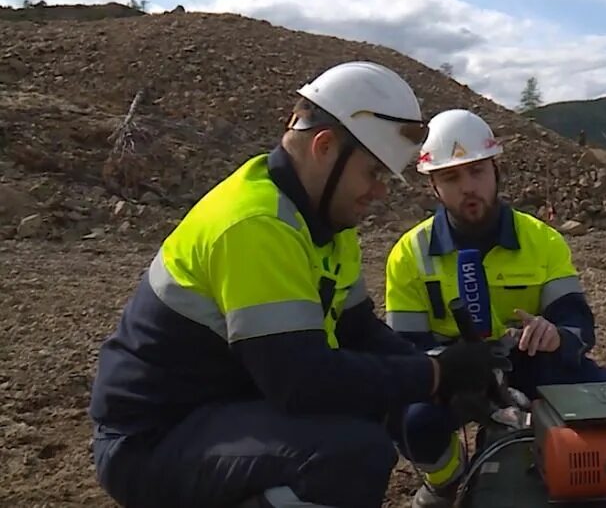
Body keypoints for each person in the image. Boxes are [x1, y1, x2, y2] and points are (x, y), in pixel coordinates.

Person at [87, 62, 497, 508]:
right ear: (324, 147)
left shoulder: (325, 223)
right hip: (153, 440)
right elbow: (301, 382)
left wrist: (444, 374)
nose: (379, 192)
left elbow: (359, 332)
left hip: (219, 411)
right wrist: (434, 373)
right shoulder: (257, 224)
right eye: (374, 173)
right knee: (350, 453)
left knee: (377, 401)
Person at [382, 109, 606, 507]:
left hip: (528, 360)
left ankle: (546, 471)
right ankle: (447, 477)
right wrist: (450, 367)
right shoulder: (409, 254)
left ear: (496, 171)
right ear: (433, 185)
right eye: (451, 177)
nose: (468, 187)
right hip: (450, 372)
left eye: (477, 172)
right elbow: (405, 350)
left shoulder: (542, 241)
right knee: (405, 414)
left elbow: (577, 323)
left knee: (595, 400)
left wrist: (556, 335)